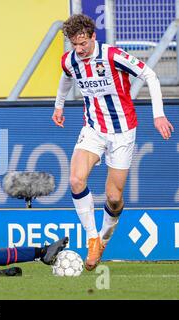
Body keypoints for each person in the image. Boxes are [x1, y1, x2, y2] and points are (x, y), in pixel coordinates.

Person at [52, 14, 174, 271]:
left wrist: (158, 114)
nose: (79, 49)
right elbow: (66, 78)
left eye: (83, 43)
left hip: (122, 132)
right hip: (93, 129)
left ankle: (104, 236)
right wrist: (59, 106)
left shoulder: (112, 55)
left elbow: (150, 75)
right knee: (75, 179)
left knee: (114, 198)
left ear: (93, 36)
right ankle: (92, 238)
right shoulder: (71, 61)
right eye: (74, 44)